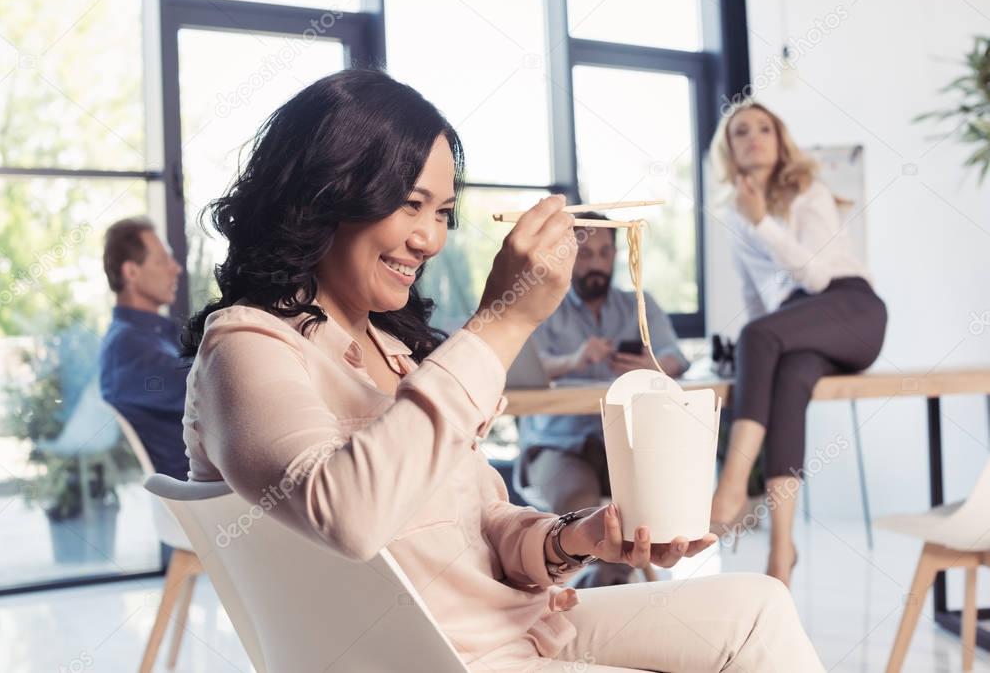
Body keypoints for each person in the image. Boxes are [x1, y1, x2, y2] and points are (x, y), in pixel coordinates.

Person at [180, 69, 826, 672]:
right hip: (449, 657)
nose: (430, 239)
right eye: (410, 203)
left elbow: (483, 522)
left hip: (517, 623)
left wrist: (577, 538)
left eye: (441, 213)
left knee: (760, 606)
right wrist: (505, 320)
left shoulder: (393, 350)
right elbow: (347, 511)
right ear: (326, 191)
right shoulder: (246, 344)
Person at [707, 100, 888, 587]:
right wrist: (759, 362)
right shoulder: (735, 215)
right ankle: (782, 551)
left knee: (757, 334)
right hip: (799, 326)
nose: (753, 138)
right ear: (729, 150)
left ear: (780, 138)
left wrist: (762, 218)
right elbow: (756, 296)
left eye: (764, 128)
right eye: (741, 131)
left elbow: (815, 275)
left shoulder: (808, 191)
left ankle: (731, 489)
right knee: (790, 379)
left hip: (852, 309)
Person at [517, 213, 690, 588]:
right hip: (558, 445)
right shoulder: (540, 305)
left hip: (625, 446)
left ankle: (610, 583)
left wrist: (654, 365)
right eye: (585, 253)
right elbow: (521, 367)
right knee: (583, 508)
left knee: (644, 503)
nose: (596, 263)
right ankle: (598, 584)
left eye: (604, 253)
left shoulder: (637, 307)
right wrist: (574, 360)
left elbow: (675, 355)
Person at [99, 217, 189, 481]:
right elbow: (207, 388)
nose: (176, 269)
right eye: (162, 261)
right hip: (198, 497)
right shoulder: (126, 346)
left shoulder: (152, 336)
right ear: (131, 272)